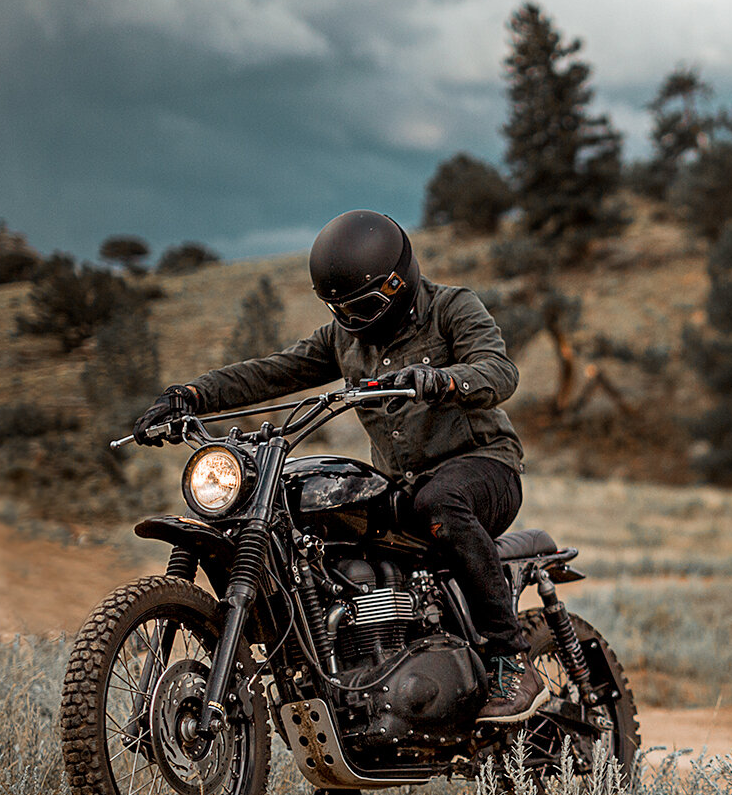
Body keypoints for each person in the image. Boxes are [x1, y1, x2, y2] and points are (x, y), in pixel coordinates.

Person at [131, 209, 544, 723]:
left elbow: (499, 370)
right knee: (326, 534)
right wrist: (191, 395)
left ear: (400, 281)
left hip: (483, 467)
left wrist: (446, 380)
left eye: (365, 305)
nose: (355, 319)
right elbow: (272, 372)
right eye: (341, 309)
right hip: (405, 486)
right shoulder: (343, 339)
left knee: (440, 502)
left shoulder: (452, 307)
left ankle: (510, 656)